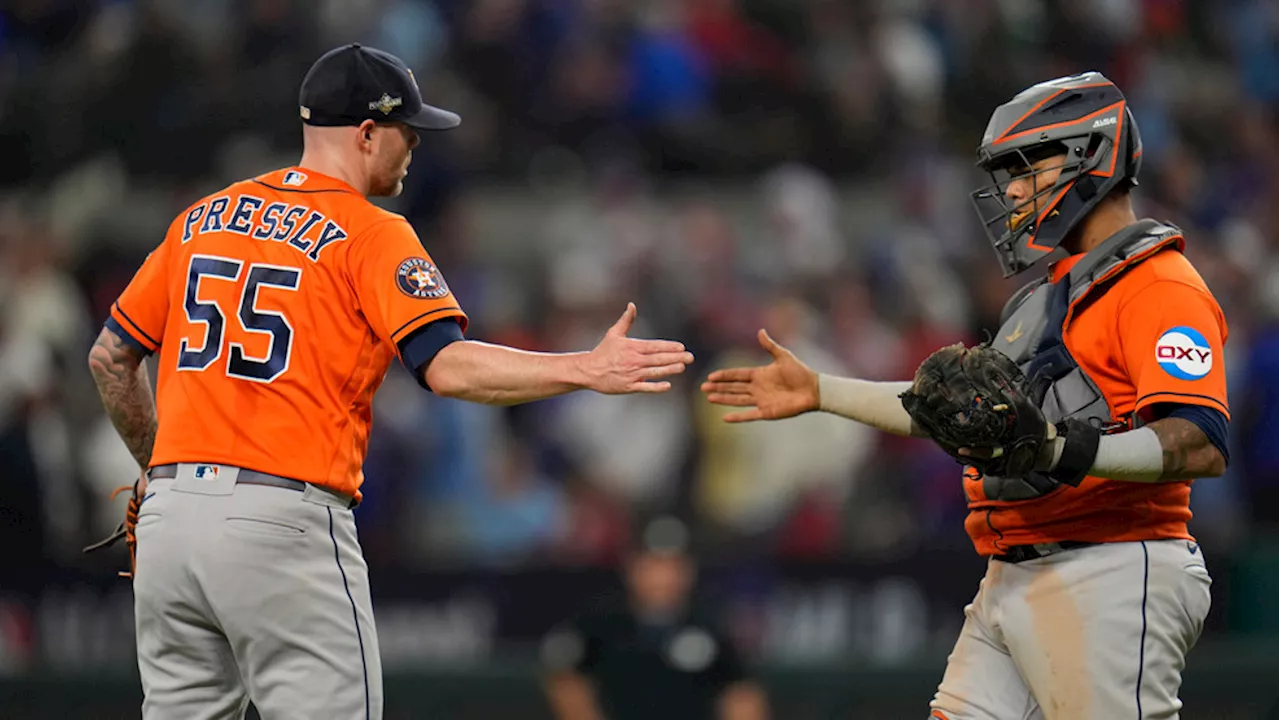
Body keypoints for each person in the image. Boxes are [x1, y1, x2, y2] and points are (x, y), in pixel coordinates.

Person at [85, 43, 693, 720]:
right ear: (367, 132)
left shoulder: (201, 218)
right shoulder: (371, 231)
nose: (415, 146)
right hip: (280, 519)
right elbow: (448, 366)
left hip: (170, 520)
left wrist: (162, 471)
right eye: (408, 130)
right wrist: (584, 368)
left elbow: (110, 359)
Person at [701, 72, 1228, 719]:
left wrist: (1061, 448)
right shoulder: (1044, 297)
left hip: (1113, 569)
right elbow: (955, 413)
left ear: (1092, 154)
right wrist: (821, 390)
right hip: (1017, 570)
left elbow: (1199, 441)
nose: (1009, 188)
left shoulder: (1159, 285)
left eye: (1026, 166)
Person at [540, 516, 769, 720]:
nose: (662, 577)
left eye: (672, 566)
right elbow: (566, 683)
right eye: (652, 565)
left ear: (689, 570)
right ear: (632, 567)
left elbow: (741, 697)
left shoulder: (712, 625)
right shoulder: (600, 623)